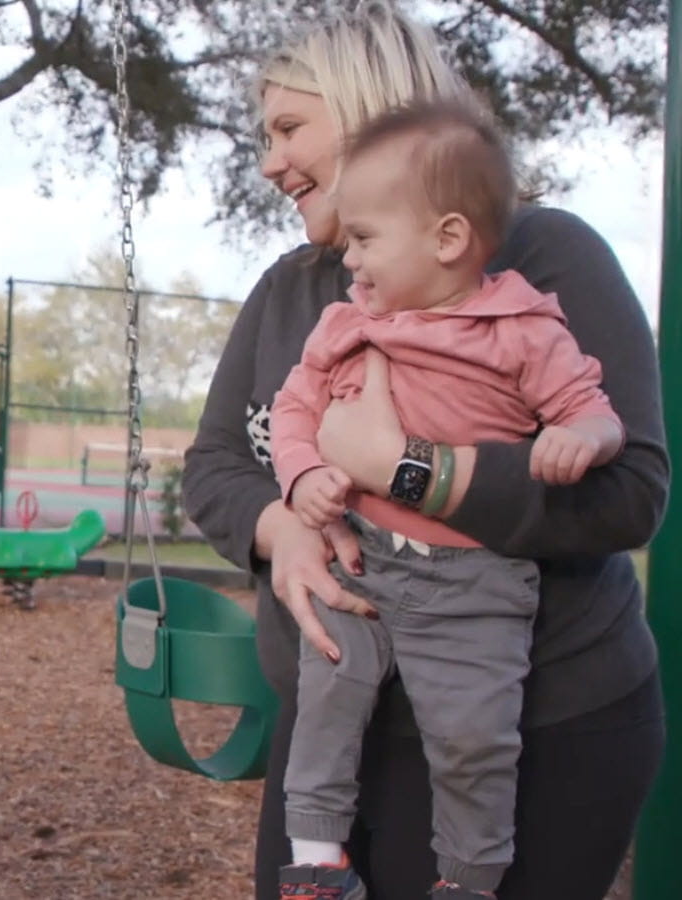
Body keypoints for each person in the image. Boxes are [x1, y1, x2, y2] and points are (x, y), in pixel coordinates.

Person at [180, 3, 668, 899]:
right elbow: (214, 465)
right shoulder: (294, 291)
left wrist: (410, 469)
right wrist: (280, 526)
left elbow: (629, 491)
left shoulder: (538, 261)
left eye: (290, 128)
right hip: (334, 717)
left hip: (532, 725)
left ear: (371, 109)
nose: (270, 161)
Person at [267, 99, 625, 900]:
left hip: (474, 583)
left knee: (473, 738)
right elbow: (295, 409)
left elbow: (594, 414)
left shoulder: (522, 329)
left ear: (448, 239)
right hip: (360, 563)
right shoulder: (345, 322)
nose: (349, 260)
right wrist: (299, 477)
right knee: (328, 692)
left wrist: (581, 441)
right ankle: (317, 864)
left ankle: (467, 880)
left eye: (364, 240)